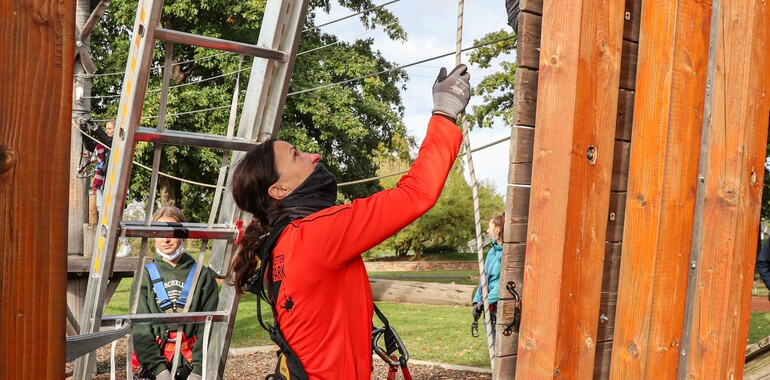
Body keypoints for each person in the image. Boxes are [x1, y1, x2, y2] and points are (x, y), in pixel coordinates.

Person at [228, 64, 471, 379]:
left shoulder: (277, 244)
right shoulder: (316, 233)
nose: (314, 155)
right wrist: (444, 113)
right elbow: (416, 194)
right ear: (280, 190)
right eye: (296, 155)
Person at [131, 206, 220, 380]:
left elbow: (210, 326)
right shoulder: (145, 276)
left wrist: (198, 370)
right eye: (159, 232)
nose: (166, 239)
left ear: (183, 233)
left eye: (172, 232)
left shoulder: (202, 275)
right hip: (156, 368)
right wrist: (158, 370)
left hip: (191, 365)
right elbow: (140, 326)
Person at [90, 119, 132, 257]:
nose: (107, 131)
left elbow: (108, 141)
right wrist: (85, 131)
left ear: (116, 130)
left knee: (115, 213)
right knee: (103, 212)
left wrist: (96, 128)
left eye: (110, 129)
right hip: (103, 182)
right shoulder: (104, 145)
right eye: (106, 129)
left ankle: (125, 243)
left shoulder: (119, 142)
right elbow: (90, 145)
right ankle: (108, 245)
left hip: (115, 182)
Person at [471, 213, 504, 343]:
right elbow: (484, 279)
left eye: (490, 227)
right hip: (487, 307)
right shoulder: (492, 251)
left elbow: (501, 283)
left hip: (496, 307)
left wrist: (486, 301)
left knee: (498, 350)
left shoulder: (505, 253)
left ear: (498, 229)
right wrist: (476, 302)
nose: (487, 230)